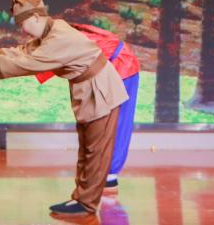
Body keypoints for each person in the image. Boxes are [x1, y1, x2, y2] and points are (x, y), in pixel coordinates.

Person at [0, 0, 128, 216]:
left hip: (101, 91)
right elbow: (28, 50)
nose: (22, 29)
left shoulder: (59, 37)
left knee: (95, 151)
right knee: (87, 149)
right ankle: (81, 198)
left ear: (36, 17)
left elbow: (32, 63)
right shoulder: (52, 30)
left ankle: (86, 203)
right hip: (89, 90)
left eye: (22, 23)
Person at [34, 21, 141, 191]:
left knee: (115, 123)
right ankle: (99, 172)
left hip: (122, 68)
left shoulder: (66, 41)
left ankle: (109, 175)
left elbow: (38, 65)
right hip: (110, 68)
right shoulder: (61, 35)